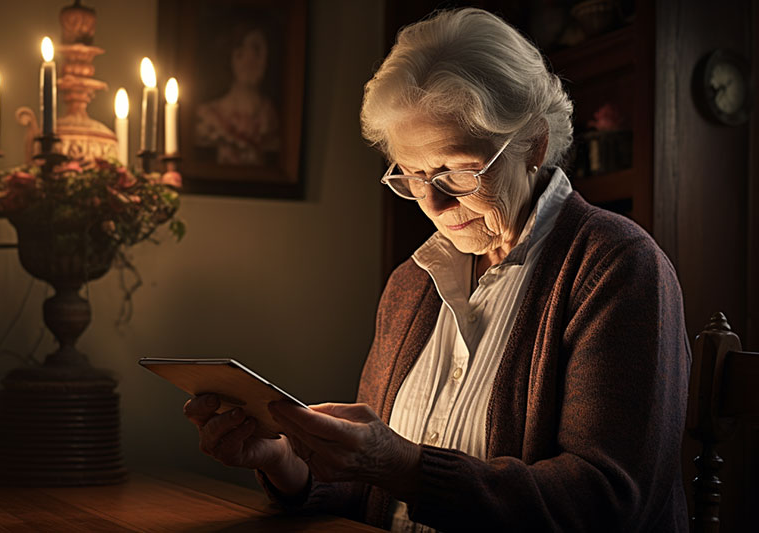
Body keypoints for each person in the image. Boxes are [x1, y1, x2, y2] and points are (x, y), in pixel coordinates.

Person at [184, 8, 691, 532]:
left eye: (456, 170)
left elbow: (609, 502)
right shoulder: (411, 282)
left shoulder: (618, 267)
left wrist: (405, 466)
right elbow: (367, 494)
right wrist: (284, 462)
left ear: (534, 144)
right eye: (411, 173)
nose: (434, 202)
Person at [195, 17, 280, 165]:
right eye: (254, 49)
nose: (253, 59)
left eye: (259, 50)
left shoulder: (272, 119)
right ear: (234, 55)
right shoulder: (208, 116)